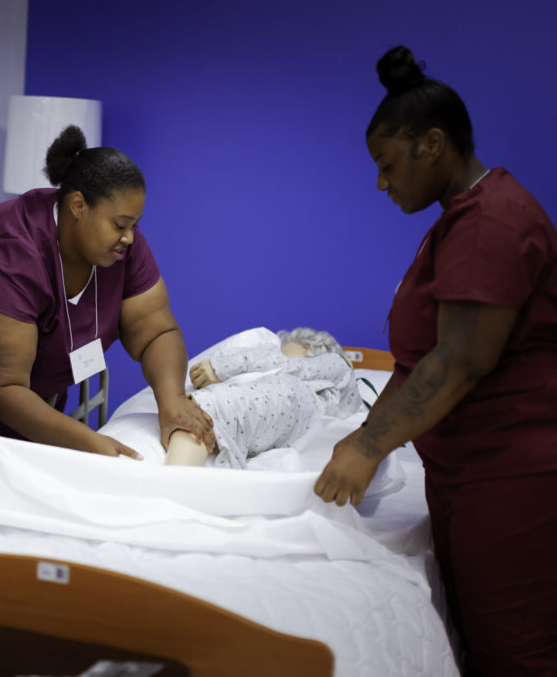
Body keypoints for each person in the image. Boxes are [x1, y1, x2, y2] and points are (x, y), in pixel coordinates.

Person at [314, 46, 557, 676]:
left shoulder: (492, 222)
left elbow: (458, 361)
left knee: (515, 653)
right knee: (478, 643)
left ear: (432, 144)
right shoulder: (459, 220)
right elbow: (417, 362)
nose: (381, 183)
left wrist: (370, 446)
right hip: (467, 474)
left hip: (513, 478)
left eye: (387, 164)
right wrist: (364, 434)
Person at [0, 125, 215, 467]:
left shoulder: (120, 250)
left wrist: (172, 400)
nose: (130, 238)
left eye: (135, 225)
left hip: (29, 394)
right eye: (120, 225)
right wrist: (89, 443)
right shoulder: (8, 254)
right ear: (77, 206)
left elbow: (157, 332)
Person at [167, 327, 361, 467]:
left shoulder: (338, 364)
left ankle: (168, 492)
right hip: (291, 430)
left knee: (220, 405)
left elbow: (292, 367)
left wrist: (224, 365)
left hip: (297, 403)